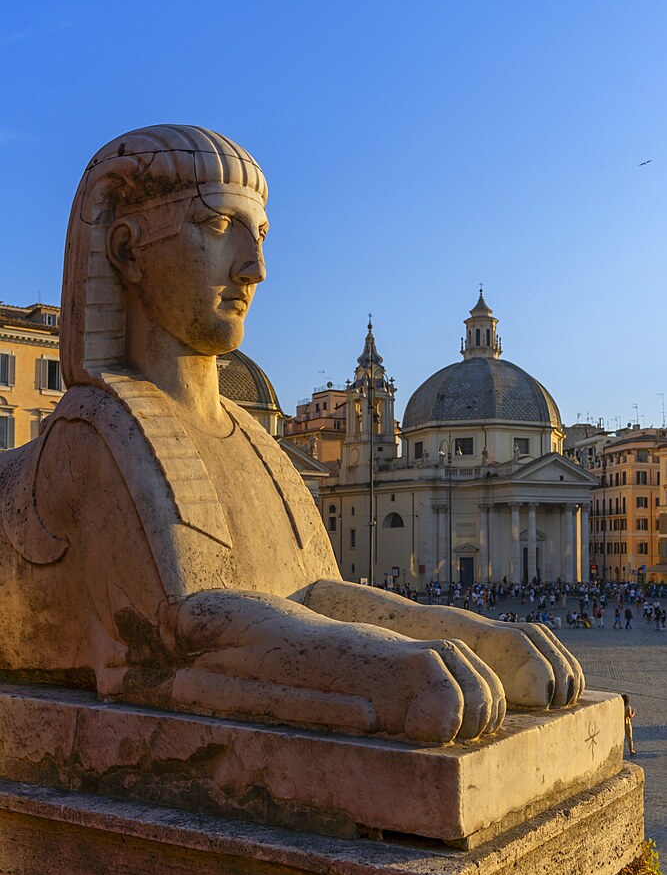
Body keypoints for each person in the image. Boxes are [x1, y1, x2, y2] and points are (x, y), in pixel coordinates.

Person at [0, 124, 584, 749]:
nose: (255, 268)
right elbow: (178, 635)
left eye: (260, 236)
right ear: (127, 249)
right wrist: (386, 668)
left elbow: (309, 596)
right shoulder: (96, 434)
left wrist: (467, 633)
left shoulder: (253, 438)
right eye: (219, 227)